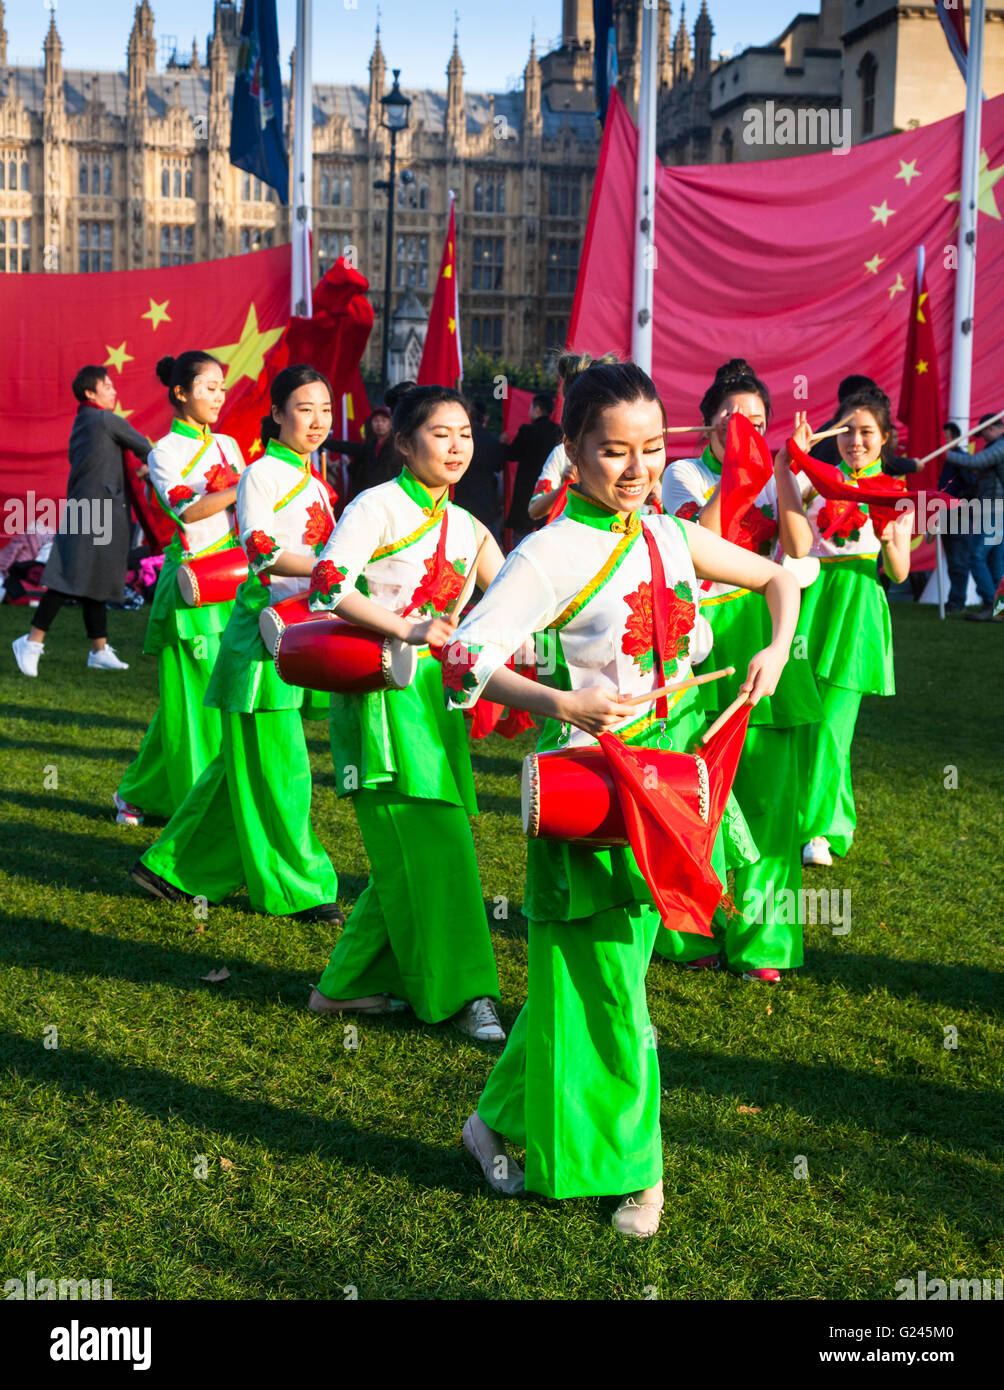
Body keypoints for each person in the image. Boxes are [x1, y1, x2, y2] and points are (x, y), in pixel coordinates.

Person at [442, 360, 800, 1237]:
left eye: (652, 448)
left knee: (601, 973)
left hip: (673, 781)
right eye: (613, 452)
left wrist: (776, 651)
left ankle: (491, 1122)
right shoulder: (549, 551)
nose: (637, 469)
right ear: (571, 450)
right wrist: (561, 703)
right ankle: (639, 1173)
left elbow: (785, 576)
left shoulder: (674, 537)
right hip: (595, 784)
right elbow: (463, 657)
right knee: (608, 983)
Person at [305, 385, 506, 1040]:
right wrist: (406, 627)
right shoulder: (378, 505)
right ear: (402, 442)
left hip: (436, 700)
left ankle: (344, 988)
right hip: (382, 694)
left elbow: (512, 595)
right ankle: (466, 995)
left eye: (466, 433)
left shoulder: (469, 525)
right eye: (441, 433)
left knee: (412, 852)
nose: (457, 446)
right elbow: (328, 584)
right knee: (441, 847)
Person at [129, 365, 342, 925]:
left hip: (298, 626)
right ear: (276, 414)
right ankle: (301, 885)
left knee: (244, 762)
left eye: (325, 409)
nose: (318, 421)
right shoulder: (260, 476)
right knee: (283, 765)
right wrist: (334, 568)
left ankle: (173, 869)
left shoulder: (314, 480)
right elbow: (264, 551)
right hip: (260, 634)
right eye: (304, 409)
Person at [658, 358, 823, 982]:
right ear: (706, 425)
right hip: (704, 639)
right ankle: (689, 932)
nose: (743, 427)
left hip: (769, 638)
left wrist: (783, 474)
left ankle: (763, 945)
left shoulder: (779, 476)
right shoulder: (681, 474)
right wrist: (740, 473)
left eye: (756, 420)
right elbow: (701, 541)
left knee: (771, 803)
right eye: (731, 418)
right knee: (696, 796)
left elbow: (800, 550)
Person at [114, 352, 245, 826]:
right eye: (209, 387)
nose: (218, 396)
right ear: (181, 392)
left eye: (222, 388)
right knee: (195, 701)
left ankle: (135, 793)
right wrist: (249, 484)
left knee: (208, 695)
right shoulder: (164, 452)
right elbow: (187, 511)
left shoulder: (230, 445)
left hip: (236, 581)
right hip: (192, 585)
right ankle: (198, 812)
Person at [796, 392, 914, 866]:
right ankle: (833, 821)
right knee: (810, 721)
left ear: (884, 438)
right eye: (846, 431)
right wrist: (798, 460)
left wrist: (888, 542)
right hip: (813, 604)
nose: (855, 441)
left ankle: (816, 831)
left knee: (832, 727)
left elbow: (902, 572)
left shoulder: (894, 492)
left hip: (859, 606)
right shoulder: (819, 482)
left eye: (866, 431)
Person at [12, 366, 152, 677]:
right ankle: (31, 642)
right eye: (107, 385)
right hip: (92, 512)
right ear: (90, 393)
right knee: (68, 578)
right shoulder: (103, 420)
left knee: (95, 581)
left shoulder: (85, 420)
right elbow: (146, 449)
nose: (114, 391)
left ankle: (99, 651)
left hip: (96, 510)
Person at [943, 413, 1004, 621]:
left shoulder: (1000, 446)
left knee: (977, 556)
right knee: (995, 560)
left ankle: (990, 604)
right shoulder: (996, 446)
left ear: (991, 428)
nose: (983, 437)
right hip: (994, 509)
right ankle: (999, 610)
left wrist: (944, 454)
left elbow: (977, 462)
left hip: (995, 509)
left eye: (984, 432)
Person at [503, 391, 562, 542]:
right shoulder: (558, 432)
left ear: (537, 409)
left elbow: (510, 454)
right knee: (547, 536)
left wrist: (503, 443)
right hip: (549, 492)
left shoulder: (527, 431)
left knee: (521, 539)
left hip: (526, 491)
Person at [937, 421, 977, 614]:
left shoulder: (961, 459)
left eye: (944, 437)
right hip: (944, 514)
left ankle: (957, 602)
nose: (941, 441)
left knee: (959, 559)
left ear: (953, 437)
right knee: (953, 559)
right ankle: (955, 600)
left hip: (959, 514)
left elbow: (971, 483)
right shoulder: (943, 459)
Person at [451, 396, 505, 536]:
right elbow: (499, 466)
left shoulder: (456, 440)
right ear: (485, 418)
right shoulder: (491, 441)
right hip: (485, 503)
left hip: (461, 501)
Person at [324, 406, 403, 499]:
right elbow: (348, 447)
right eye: (376, 421)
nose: (379, 424)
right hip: (370, 496)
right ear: (371, 423)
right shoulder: (370, 445)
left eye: (383, 421)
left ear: (390, 424)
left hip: (389, 495)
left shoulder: (397, 447)